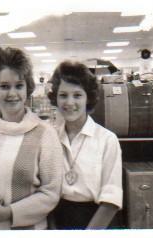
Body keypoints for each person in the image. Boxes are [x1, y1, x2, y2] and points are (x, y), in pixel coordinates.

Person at [0, 47, 63, 230]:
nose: (12, 94)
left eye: (19, 85)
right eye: (4, 86)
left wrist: (6, 213)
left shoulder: (45, 134)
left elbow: (51, 192)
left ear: (27, 88)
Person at [47, 60, 123, 229]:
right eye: (63, 95)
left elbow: (111, 201)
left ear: (88, 98)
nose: (70, 103)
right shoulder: (50, 137)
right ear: (55, 98)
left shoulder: (106, 140)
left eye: (77, 95)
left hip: (97, 222)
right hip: (59, 220)